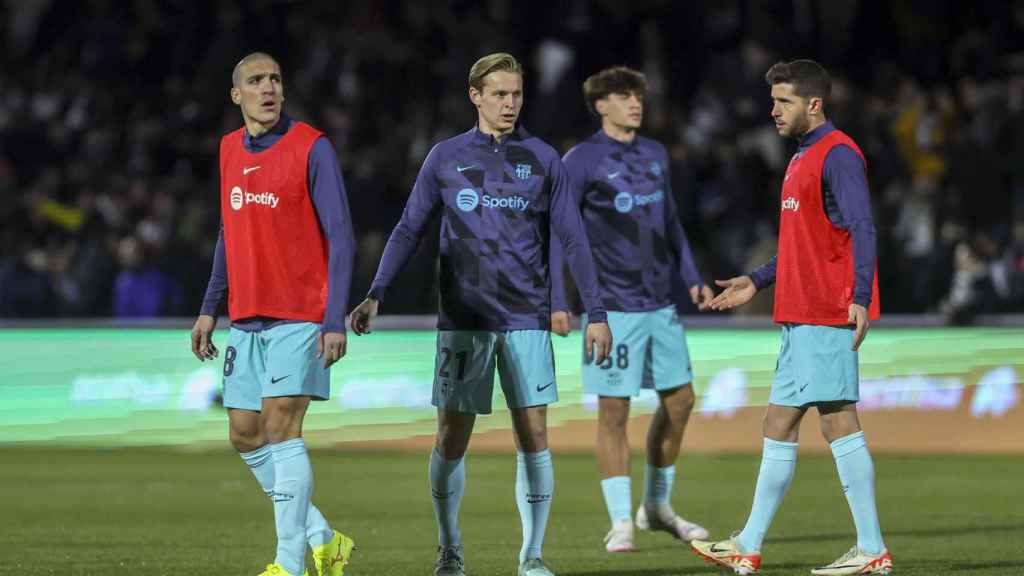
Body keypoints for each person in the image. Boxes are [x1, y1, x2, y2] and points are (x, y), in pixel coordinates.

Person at [349, 52, 613, 576]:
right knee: (451, 436)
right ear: (475, 96)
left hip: (525, 316)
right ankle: (449, 548)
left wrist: (597, 311)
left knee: (534, 432)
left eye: (516, 94)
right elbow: (408, 228)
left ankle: (532, 556)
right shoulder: (445, 157)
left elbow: (574, 239)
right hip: (465, 318)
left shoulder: (542, 158)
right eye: (499, 94)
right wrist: (376, 290)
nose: (510, 103)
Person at [691, 60, 893, 575]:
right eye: (773, 100)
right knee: (780, 421)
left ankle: (870, 549)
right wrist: (755, 280)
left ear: (814, 104)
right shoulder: (803, 157)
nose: (772, 110)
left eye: (783, 101)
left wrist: (861, 295)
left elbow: (863, 227)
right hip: (798, 312)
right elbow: (805, 247)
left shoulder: (838, 154)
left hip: (825, 312)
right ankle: (750, 544)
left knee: (836, 420)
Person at [190, 52, 357, 576]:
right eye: (256, 81)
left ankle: (289, 564)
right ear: (236, 95)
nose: (269, 88)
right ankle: (324, 538)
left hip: (300, 314)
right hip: (246, 315)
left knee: (283, 430)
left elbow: (343, 236)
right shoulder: (227, 151)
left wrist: (333, 319)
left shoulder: (312, 147)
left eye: (276, 80)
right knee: (244, 432)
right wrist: (209, 307)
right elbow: (228, 230)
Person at [548, 66, 713, 553]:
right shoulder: (579, 160)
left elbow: (671, 225)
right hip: (611, 309)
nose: (635, 103)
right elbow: (563, 232)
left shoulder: (656, 154)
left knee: (680, 401)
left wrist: (693, 278)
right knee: (613, 411)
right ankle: (621, 521)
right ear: (601, 105)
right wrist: (560, 300)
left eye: (637, 95)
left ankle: (656, 507)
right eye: (623, 96)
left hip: (660, 303)